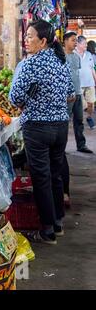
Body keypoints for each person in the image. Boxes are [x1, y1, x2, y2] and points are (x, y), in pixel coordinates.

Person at [9, 20, 75, 245]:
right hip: (60, 127)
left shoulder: (30, 64)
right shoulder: (61, 61)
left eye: (30, 36)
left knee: (42, 178)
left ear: (43, 41)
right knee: (55, 174)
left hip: (37, 128)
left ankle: (47, 231)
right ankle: (57, 223)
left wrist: (32, 101)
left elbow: (15, 97)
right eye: (25, 36)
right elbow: (71, 94)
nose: (26, 40)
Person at [64, 32, 92, 153]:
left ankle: (81, 145)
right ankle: (61, 147)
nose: (75, 42)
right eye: (72, 40)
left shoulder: (76, 57)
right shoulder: (61, 57)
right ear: (65, 41)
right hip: (67, 95)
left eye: (76, 40)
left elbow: (77, 75)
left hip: (78, 93)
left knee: (79, 121)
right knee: (64, 121)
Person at [75, 36, 96, 129]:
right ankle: (81, 120)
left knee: (91, 103)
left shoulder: (89, 54)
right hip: (79, 84)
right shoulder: (73, 54)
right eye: (84, 43)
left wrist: (95, 80)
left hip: (90, 83)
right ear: (78, 44)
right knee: (83, 105)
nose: (86, 45)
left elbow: (92, 69)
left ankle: (89, 117)